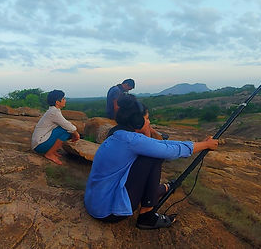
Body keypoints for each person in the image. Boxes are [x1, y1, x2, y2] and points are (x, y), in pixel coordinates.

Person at [85, 95, 218, 229]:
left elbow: (161, 144)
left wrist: (200, 143)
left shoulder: (118, 134)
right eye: (147, 119)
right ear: (137, 121)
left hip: (95, 203)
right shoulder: (132, 140)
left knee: (152, 153)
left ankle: (162, 189)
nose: (149, 122)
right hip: (108, 212)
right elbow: (168, 151)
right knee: (152, 157)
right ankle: (146, 216)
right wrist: (206, 145)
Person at [30, 90, 81, 165]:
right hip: (39, 145)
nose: (65, 101)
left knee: (64, 129)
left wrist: (74, 132)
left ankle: (52, 151)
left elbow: (65, 123)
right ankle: (49, 154)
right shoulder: (54, 113)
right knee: (65, 131)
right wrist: (76, 134)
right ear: (57, 102)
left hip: (39, 143)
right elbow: (68, 126)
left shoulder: (54, 110)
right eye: (63, 99)